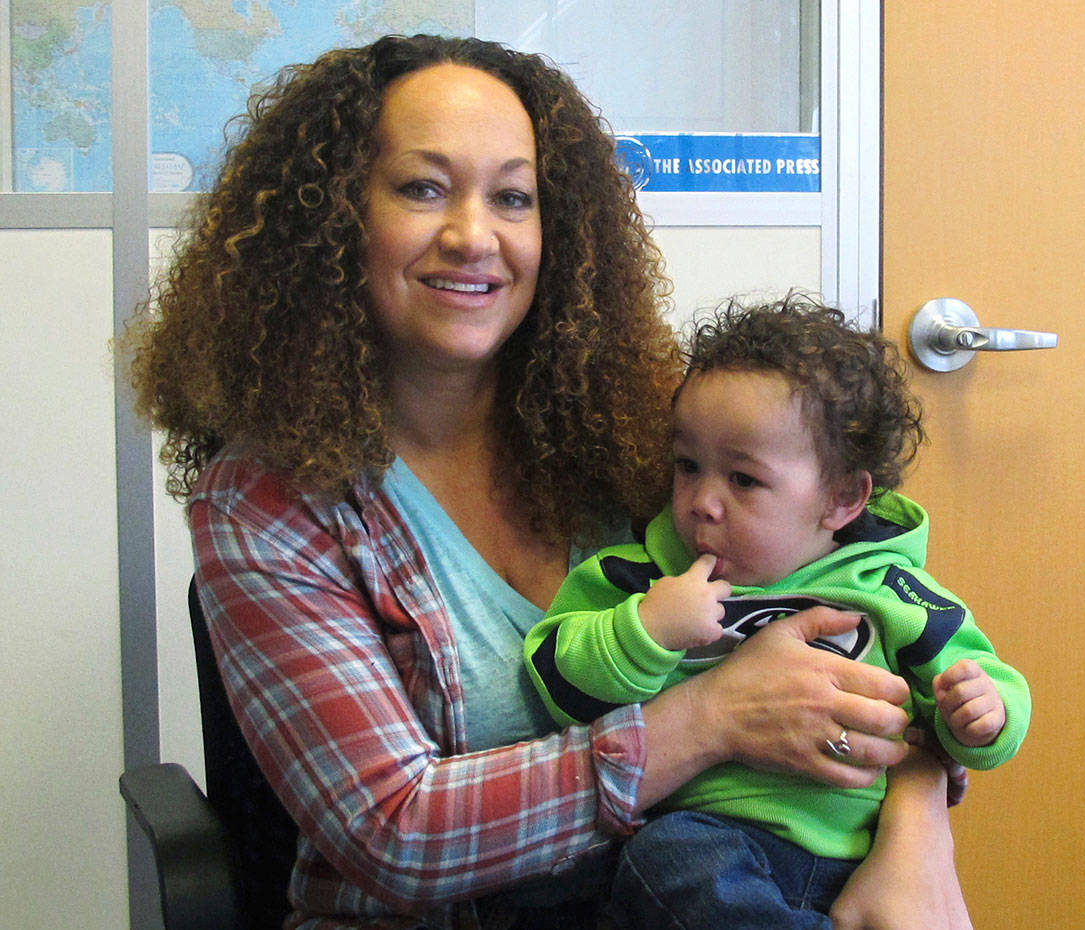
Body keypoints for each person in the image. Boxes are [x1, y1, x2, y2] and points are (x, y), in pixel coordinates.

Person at [130, 33, 970, 930]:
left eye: (513, 197)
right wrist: (711, 719)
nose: (472, 235)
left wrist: (917, 820)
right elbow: (393, 834)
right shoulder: (267, 497)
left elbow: (866, 610)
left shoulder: (646, 440)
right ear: (334, 219)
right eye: (422, 187)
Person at [525, 296, 1031, 928]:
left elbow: (983, 689)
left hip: (858, 854)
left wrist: (982, 716)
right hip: (713, 844)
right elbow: (553, 678)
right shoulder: (641, 577)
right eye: (688, 467)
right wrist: (644, 632)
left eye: (743, 480)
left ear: (841, 498)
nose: (703, 502)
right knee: (662, 860)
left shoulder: (891, 588)